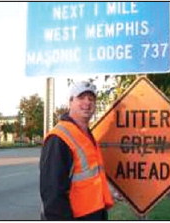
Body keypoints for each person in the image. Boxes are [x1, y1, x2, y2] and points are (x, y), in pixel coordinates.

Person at [40, 81, 114, 220]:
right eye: (81, 98)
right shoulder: (59, 137)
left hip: (95, 213)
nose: (87, 102)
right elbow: (52, 193)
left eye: (91, 99)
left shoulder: (86, 135)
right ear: (70, 102)